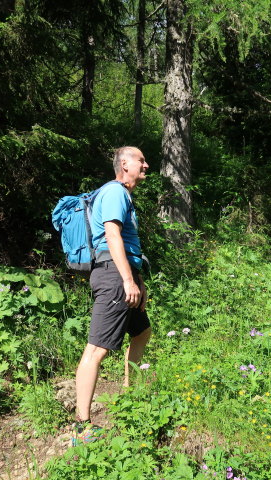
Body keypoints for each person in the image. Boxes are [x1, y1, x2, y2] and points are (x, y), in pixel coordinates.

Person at [72, 146, 152, 446]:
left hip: (124, 275)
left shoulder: (122, 194)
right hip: (114, 277)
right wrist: (128, 281)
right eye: (140, 160)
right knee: (96, 351)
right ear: (124, 165)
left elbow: (129, 246)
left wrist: (138, 281)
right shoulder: (115, 192)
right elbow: (112, 236)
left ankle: (132, 396)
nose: (146, 164)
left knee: (142, 332)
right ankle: (82, 427)